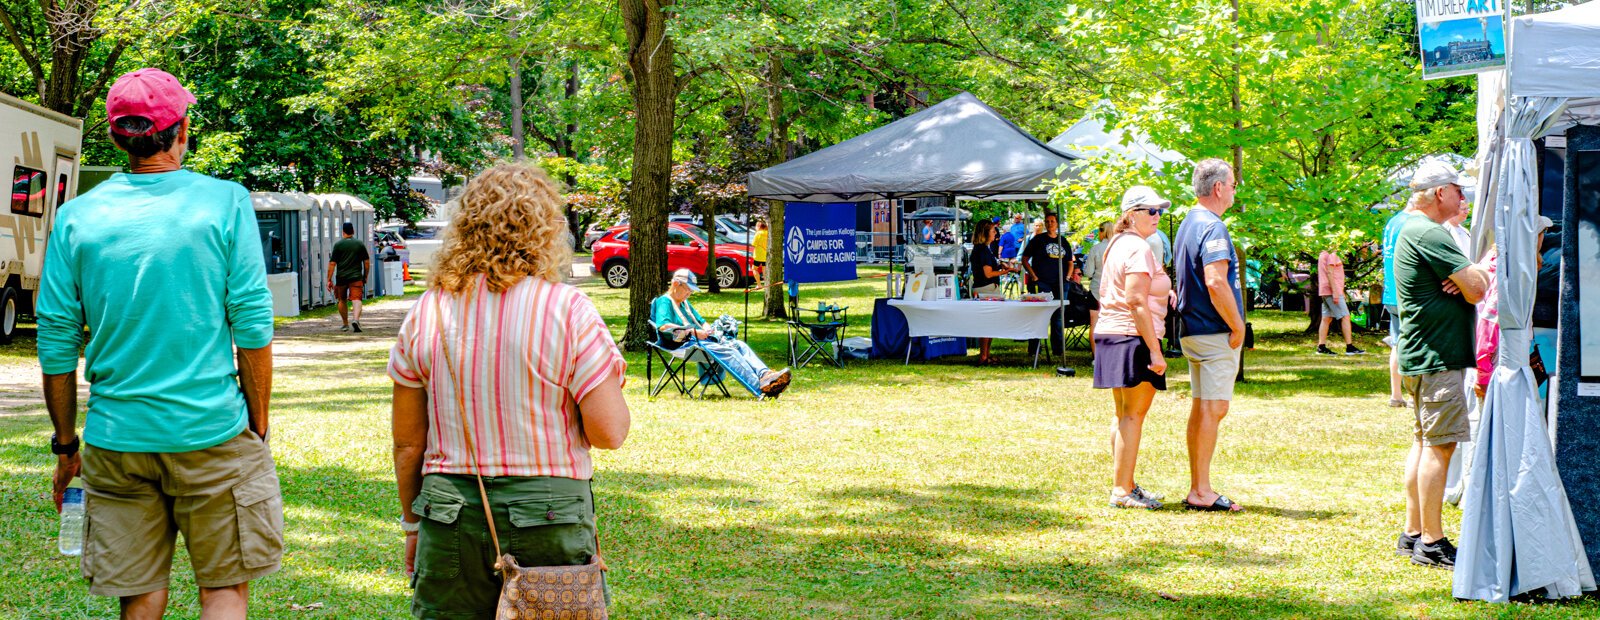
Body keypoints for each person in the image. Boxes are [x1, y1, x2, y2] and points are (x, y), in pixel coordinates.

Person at [37, 67, 278, 618]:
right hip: (212, 430)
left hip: (117, 440)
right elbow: (251, 323)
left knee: (141, 594)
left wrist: (66, 445)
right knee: (223, 588)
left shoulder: (75, 219)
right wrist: (257, 423)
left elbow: (55, 338)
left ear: (119, 136)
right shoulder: (224, 202)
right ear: (182, 129)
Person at [389, 162, 632, 617]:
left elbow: (408, 443)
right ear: (545, 229)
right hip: (550, 513)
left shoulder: (428, 312)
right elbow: (609, 432)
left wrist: (412, 525)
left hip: (449, 514)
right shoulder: (568, 310)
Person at [1392, 160, 1490, 569]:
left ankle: (1414, 532)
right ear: (1439, 193)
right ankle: (1432, 541)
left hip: (1420, 354)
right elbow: (1476, 290)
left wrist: (1468, 275)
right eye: (1457, 190)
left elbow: (1467, 284)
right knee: (1440, 445)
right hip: (1438, 355)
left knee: (1423, 441)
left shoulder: (1412, 229)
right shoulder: (1431, 232)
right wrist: (1477, 272)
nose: (1463, 197)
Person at [1173, 158, 1245, 512]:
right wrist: (1238, 324)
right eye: (1232, 185)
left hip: (1192, 330)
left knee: (1202, 407)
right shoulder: (1213, 227)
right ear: (1218, 188)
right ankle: (1201, 490)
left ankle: (1198, 485)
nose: (1233, 190)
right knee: (1214, 408)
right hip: (1214, 331)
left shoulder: (1187, 222)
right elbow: (1216, 282)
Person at [1095, 187, 1173, 510]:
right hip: (1132, 336)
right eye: (1150, 211)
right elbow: (1136, 299)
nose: (1157, 217)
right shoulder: (1138, 248)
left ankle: (1124, 483)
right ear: (1131, 215)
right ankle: (1122, 490)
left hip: (1112, 334)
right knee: (1133, 416)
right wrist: (1155, 351)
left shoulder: (1115, 245)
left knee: (1122, 414)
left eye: (1159, 211)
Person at [654, 269, 792, 396]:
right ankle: (760, 387)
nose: (689, 293)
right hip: (682, 345)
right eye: (688, 289)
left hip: (700, 340)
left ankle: (766, 375)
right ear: (676, 284)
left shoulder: (684, 302)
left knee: (739, 345)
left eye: (691, 291)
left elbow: (701, 321)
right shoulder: (664, 302)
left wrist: (708, 329)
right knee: (729, 352)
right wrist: (695, 332)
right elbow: (664, 326)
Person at [1382, 197, 1423, 408]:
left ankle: (1396, 394)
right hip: (1406, 294)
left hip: (1390, 292)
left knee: (1397, 344)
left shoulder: (1392, 222)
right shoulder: (1410, 224)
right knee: (1411, 344)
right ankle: (1413, 393)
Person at [970, 220, 1021, 365]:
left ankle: (986, 354)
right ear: (985, 233)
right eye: (993, 231)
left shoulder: (982, 249)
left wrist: (1000, 264)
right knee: (987, 324)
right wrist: (1005, 271)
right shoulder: (983, 250)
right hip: (986, 289)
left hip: (984, 288)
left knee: (989, 324)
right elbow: (988, 273)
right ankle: (984, 356)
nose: (995, 233)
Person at [1022, 212, 1072, 356]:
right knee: (1038, 316)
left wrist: (1067, 277)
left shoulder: (1063, 241)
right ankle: (1034, 349)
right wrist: (1033, 276)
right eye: (1047, 221)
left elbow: (1070, 262)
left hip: (1060, 284)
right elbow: (1025, 259)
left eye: (1053, 221)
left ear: (1057, 224)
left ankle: (1058, 351)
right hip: (1041, 283)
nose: (1050, 224)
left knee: (1058, 317)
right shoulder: (1038, 240)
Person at [1315, 249, 1364, 355]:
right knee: (1345, 317)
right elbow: (1330, 273)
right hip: (1332, 291)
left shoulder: (1322, 254)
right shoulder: (1333, 254)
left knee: (1326, 319)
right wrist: (1336, 292)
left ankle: (1321, 347)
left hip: (1325, 290)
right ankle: (1349, 347)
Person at [328, 222, 370, 332]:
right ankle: (356, 320)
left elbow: (332, 264)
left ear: (343, 232)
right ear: (353, 231)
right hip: (356, 277)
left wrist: (329, 280)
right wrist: (365, 276)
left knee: (342, 300)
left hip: (341, 278)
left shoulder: (338, 245)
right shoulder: (359, 244)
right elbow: (366, 262)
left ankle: (345, 324)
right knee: (356, 299)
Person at [751, 220, 769, 288]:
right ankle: (767, 285)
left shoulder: (758, 233)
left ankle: (759, 285)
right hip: (766, 255)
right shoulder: (768, 233)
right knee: (764, 270)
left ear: (759, 226)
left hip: (758, 255)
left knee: (754, 269)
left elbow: (754, 244)